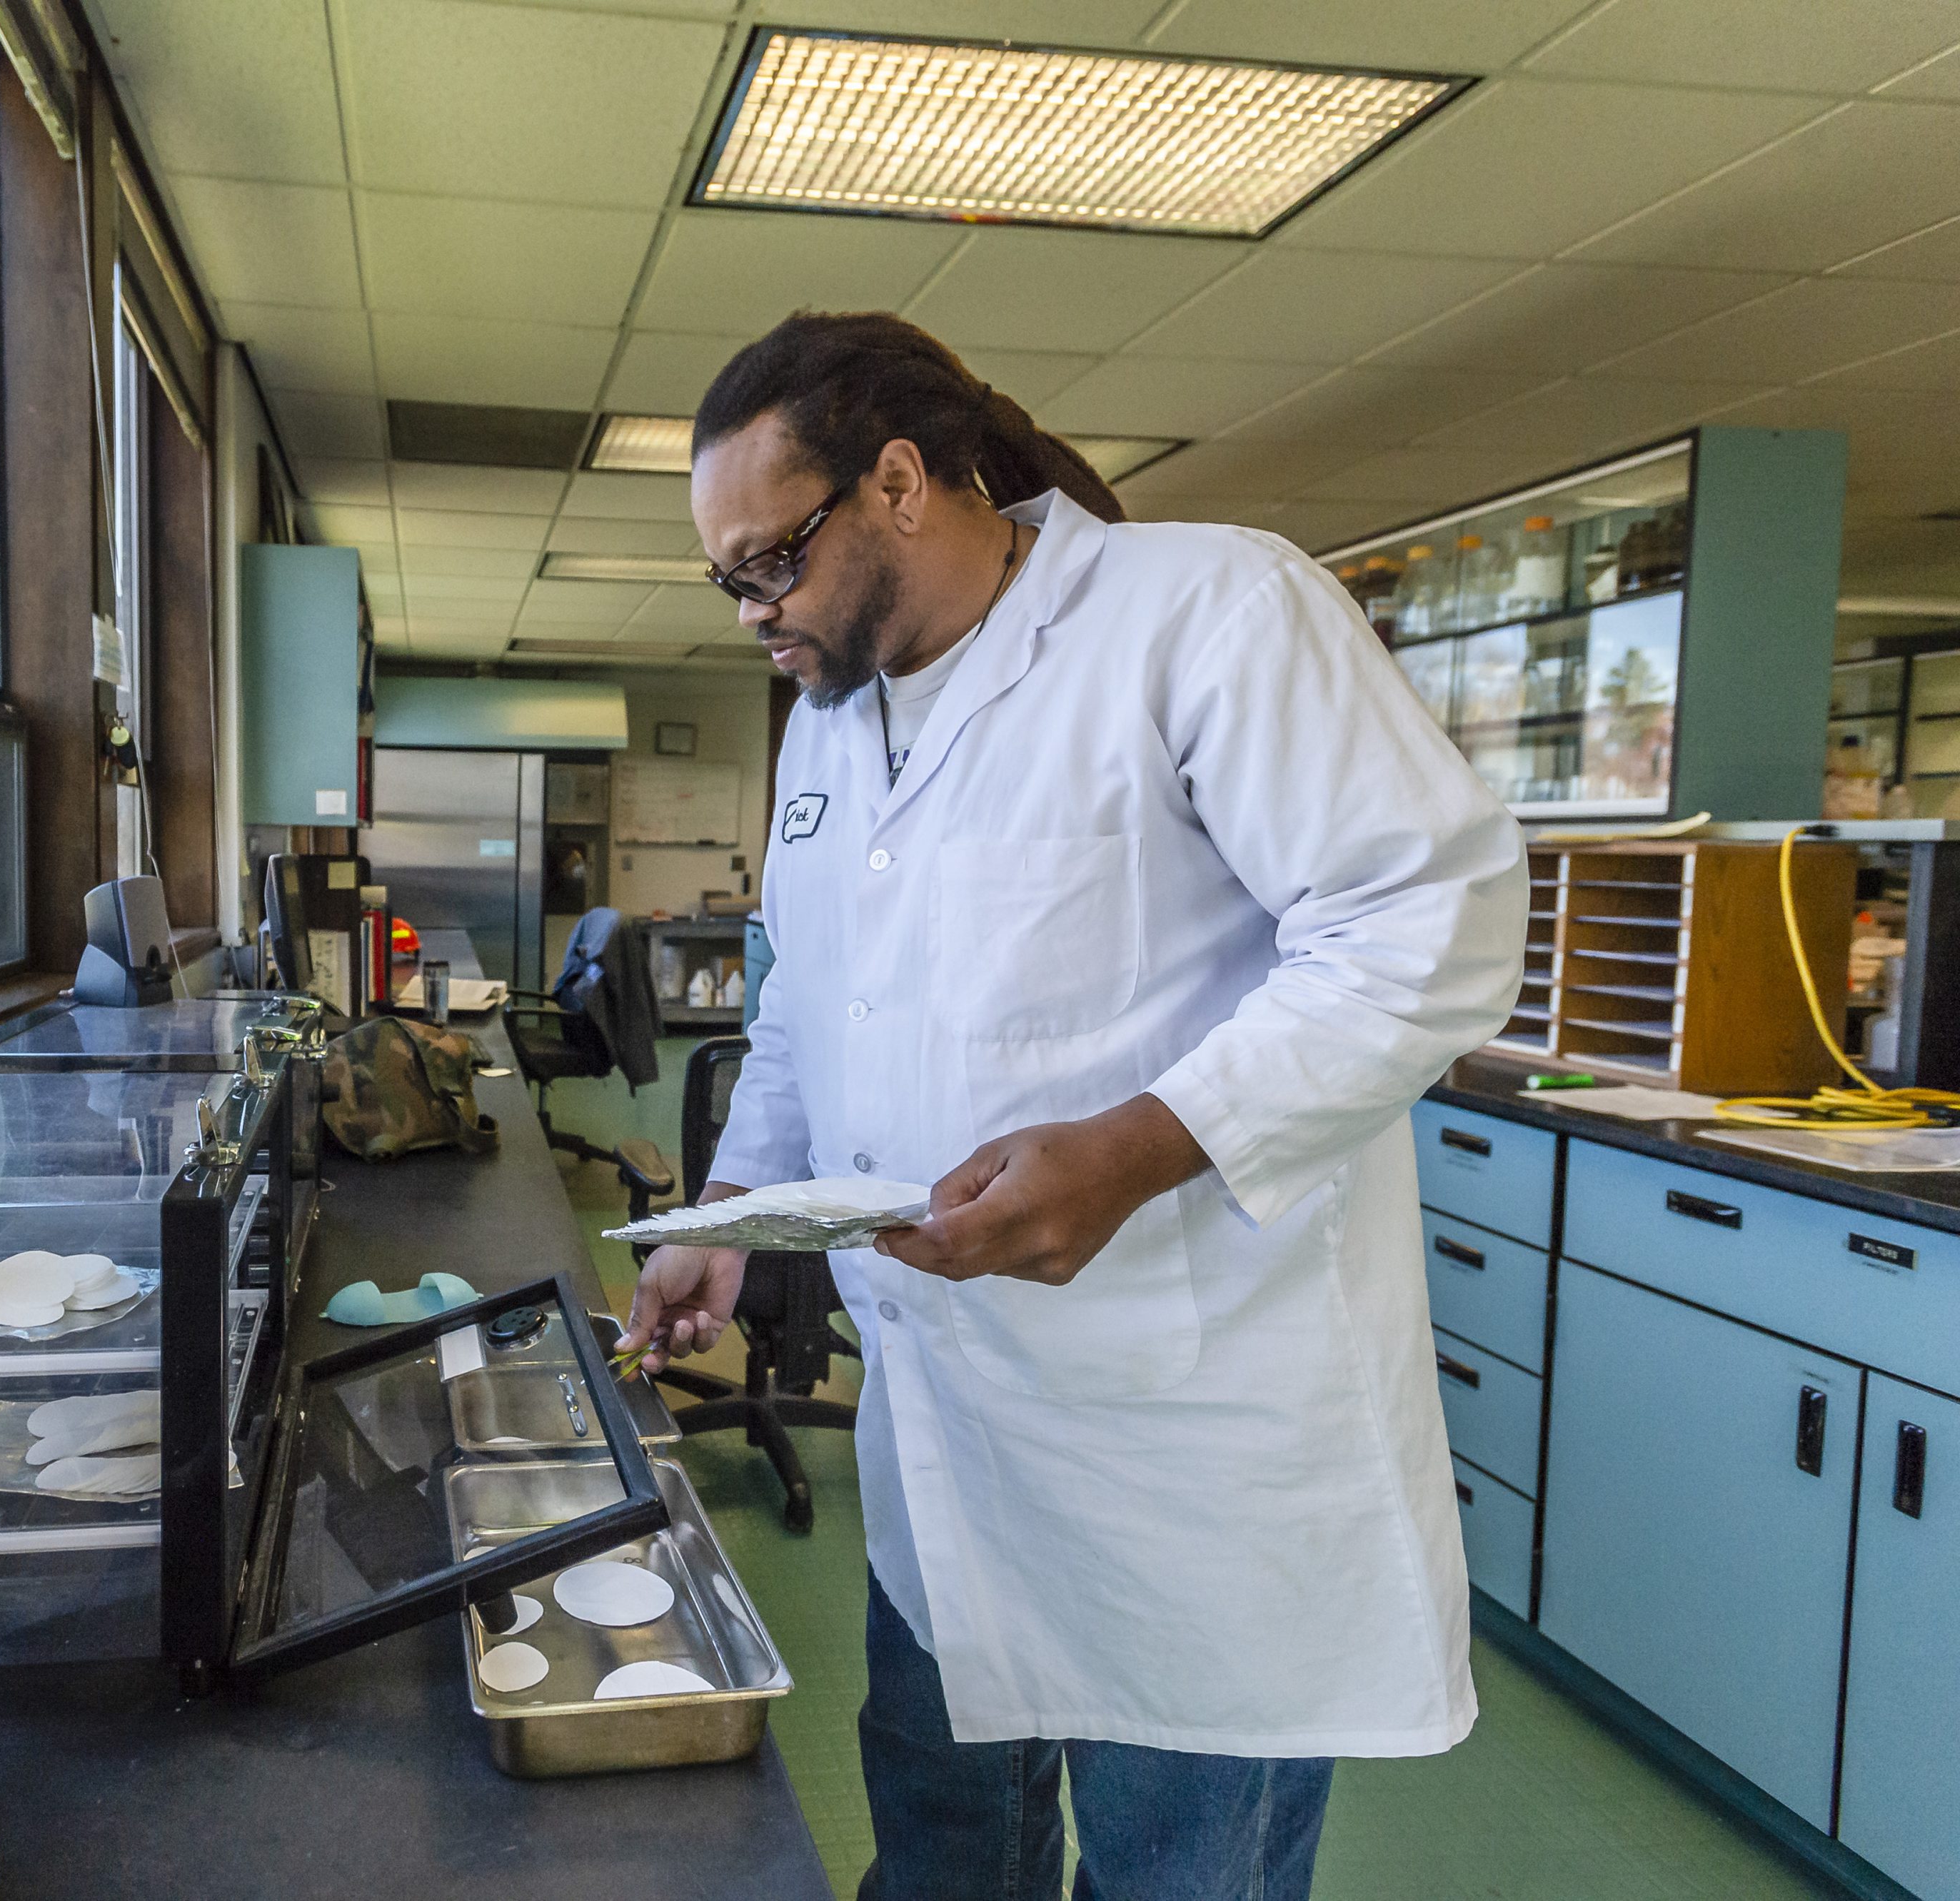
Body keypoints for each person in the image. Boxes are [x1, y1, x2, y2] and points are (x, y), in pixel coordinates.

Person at [619, 312, 1527, 1901]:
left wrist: (1134, 1149)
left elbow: (1423, 928)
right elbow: (804, 1012)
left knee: (1177, 1874)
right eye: (729, 584)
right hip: (948, 1439)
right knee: (939, 1854)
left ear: (896, 483)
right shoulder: (832, 726)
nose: (753, 613)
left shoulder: (1207, 613)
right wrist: (723, 1220)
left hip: (1183, 1459)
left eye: (768, 564)